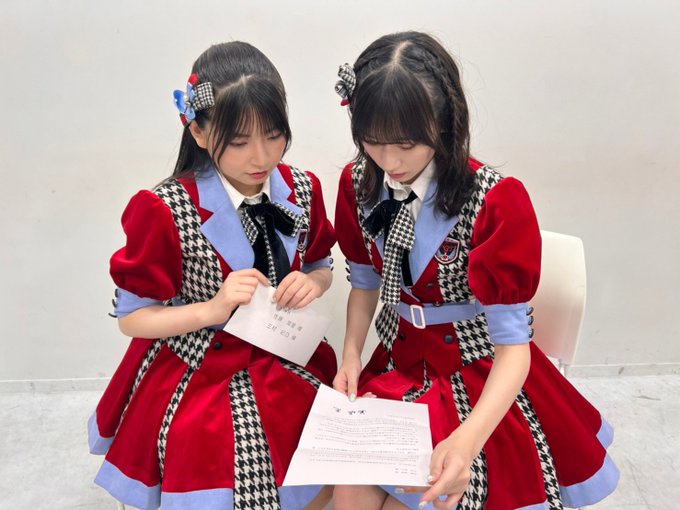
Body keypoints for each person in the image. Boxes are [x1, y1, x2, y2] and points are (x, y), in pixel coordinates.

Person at [332, 31, 619, 510]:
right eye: (373, 142)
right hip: (397, 366)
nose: (390, 161)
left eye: (406, 143)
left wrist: (465, 442)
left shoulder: (494, 199)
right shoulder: (358, 183)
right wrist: (350, 355)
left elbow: (514, 349)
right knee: (349, 496)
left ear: (444, 122)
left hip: (478, 375)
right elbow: (364, 286)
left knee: (423, 498)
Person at [87, 41, 336, 510]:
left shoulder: (302, 188)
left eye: (274, 135)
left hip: (285, 352)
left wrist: (312, 283)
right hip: (199, 363)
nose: (261, 157)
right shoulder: (164, 208)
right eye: (239, 142)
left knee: (322, 470)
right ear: (199, 132)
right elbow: (133, 319)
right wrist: (213, 308)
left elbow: (321, 265)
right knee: (212, 471)